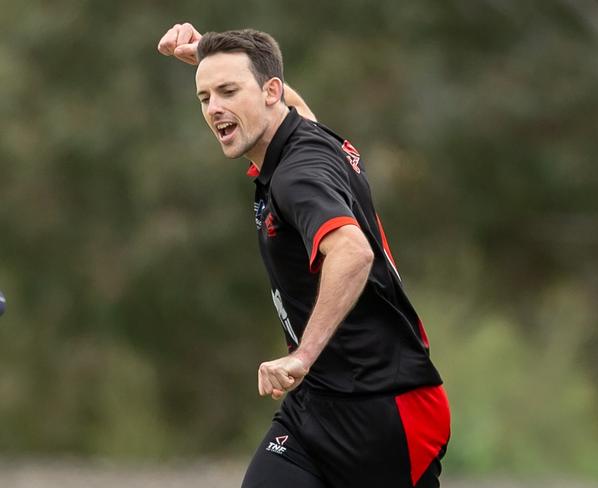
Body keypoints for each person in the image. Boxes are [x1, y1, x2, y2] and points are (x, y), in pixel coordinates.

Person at [158, 23, 451, 488]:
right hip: (318, 401)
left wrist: (302, 356)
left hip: (386, 405)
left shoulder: (298, 175)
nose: (215, 109)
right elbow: (294, 105)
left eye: (229, 91)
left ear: (270, 91)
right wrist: (214, 58)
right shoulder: (302, 134)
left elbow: (352, 252)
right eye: (205, 97)